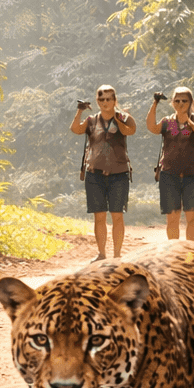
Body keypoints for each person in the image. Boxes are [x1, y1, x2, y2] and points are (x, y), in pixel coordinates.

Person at [71, 85, 136, 260]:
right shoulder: (92, 120)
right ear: (97, 101)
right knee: (99, 217)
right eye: (101, 99)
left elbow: (130, 130)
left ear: (115, 100)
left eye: (108, 99)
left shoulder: (124, 118)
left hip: (119, 174)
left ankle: (117, 255)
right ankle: (101, 254)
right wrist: (79, 111)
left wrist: (118, 117)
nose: (105, 102)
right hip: (94, 174)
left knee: (117, 216)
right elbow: (75, 129)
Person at [147, 86, 194, 242]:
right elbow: (152, 127)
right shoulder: (167, 122)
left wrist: (188, 120)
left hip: (193, 175)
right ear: (172, 103)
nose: (181, 103)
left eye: (184, 101)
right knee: (172, 218)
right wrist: (155, 104)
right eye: (177, 100)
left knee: (191, 216)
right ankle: (173, 252)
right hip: (169, 174)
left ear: (191, 102)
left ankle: (191, 252)